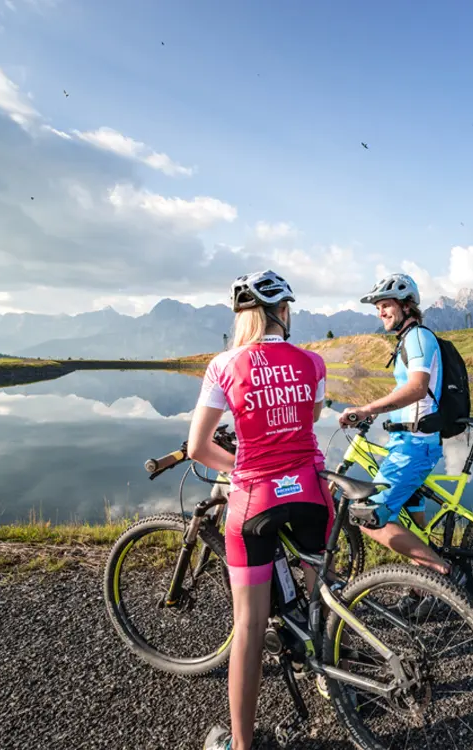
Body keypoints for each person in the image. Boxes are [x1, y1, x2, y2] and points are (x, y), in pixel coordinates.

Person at [193, 270, 331, 750]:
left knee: (249, 627)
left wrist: (242, 467)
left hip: (255, 499)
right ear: (283, 312)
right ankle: (335, 678)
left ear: (243, 317)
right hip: (312, 492)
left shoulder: (223, 365)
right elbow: (309, 419)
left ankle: (241, 745)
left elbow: (198, 447)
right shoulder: (313, 362)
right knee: (323, 603)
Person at [338, 273, 453, 580]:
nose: (381, 313)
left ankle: (443, 574)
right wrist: (376, 413)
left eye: (386, 305)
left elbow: (416, 388)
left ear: (406, 305)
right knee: (414, 521)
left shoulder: (418, 338)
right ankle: (422, 587)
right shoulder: (408, 339)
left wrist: (367, 408)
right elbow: (407, 392)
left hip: (415, 446)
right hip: (408, 441)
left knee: (367, 517)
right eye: (378, 308)